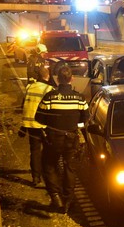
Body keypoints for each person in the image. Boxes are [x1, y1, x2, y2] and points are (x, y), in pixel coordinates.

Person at [35, 64, 89, 213]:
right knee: (69, 168)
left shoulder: (49, 97)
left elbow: (38, 118)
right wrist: (73, 126)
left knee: (49, 166)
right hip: (71, 139)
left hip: (53, 139)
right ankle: (68, 200)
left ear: (57, 80)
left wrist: (52, 124)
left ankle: (56, 197)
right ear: (72, 79)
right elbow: (85, 119)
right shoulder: (80, 98)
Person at [19, 64, 54, 186]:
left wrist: (23, 126)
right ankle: (48, 176)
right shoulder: (49, 89)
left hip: (30, 124)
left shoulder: (29, 87)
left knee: (34, 151)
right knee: (48, 150)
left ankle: (35, 177)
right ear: (47, 76)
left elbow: (24, 105)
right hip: (43, 125)